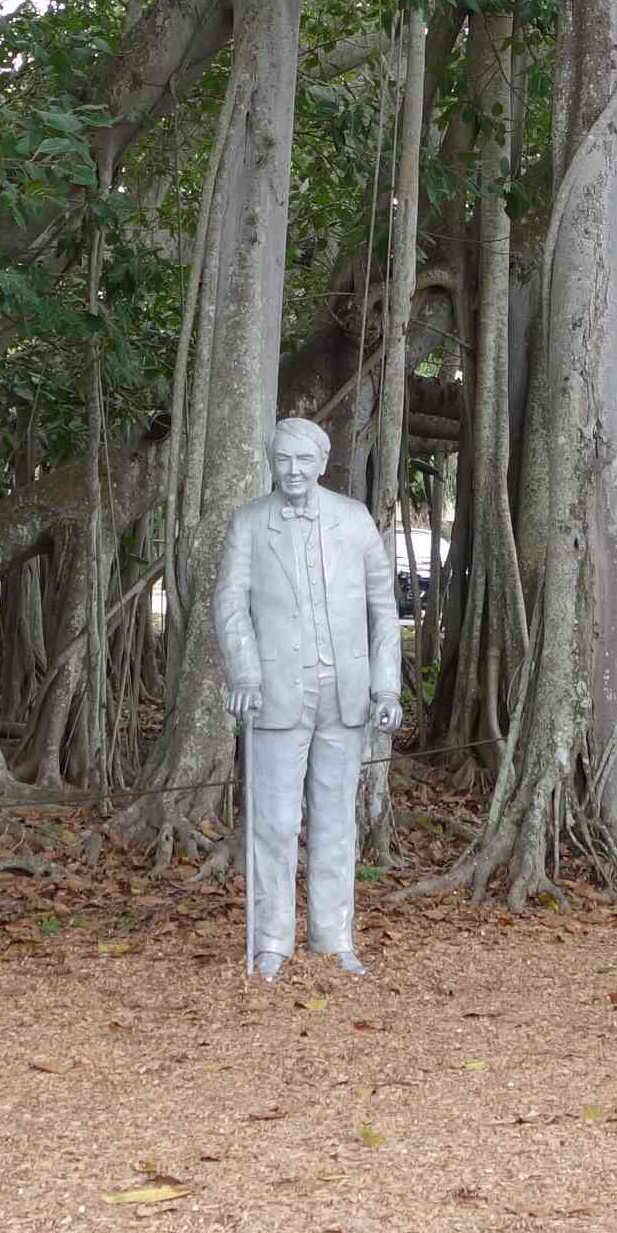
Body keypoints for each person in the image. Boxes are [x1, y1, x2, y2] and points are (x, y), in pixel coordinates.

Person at [211, 416, 400, 980]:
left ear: (321, 463)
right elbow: (229, 606)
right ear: (272, 463)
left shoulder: (354, 519)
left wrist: (386, 686)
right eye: (282, 461)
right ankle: (272, 940)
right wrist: (244, 676)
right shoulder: (249, 523)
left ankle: (333, 934)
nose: (292, 472)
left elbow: (383, 610)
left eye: (303, 461)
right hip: (275, 691)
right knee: (273, 820)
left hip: (343, 694)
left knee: (337, 820)